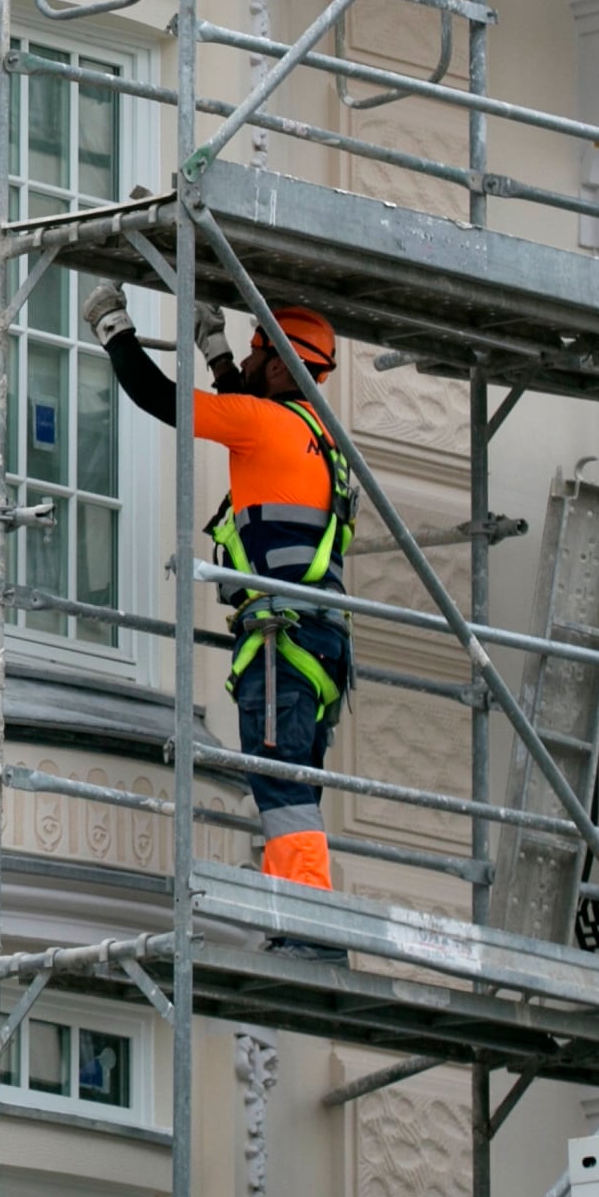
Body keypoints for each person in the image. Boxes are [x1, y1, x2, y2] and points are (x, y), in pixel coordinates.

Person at [79, 289, 360, 896]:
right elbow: (248, 407)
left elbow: (162, 400)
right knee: (296, 785)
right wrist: (218, 352)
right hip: (321, 639)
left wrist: (114, 327)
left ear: (285, 364)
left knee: (280, 785)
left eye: (260, 352)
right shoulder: (324, 440)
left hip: (282, 640)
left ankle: (307, 918)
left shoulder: (264, 425)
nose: (251, 363)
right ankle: (293, 904)